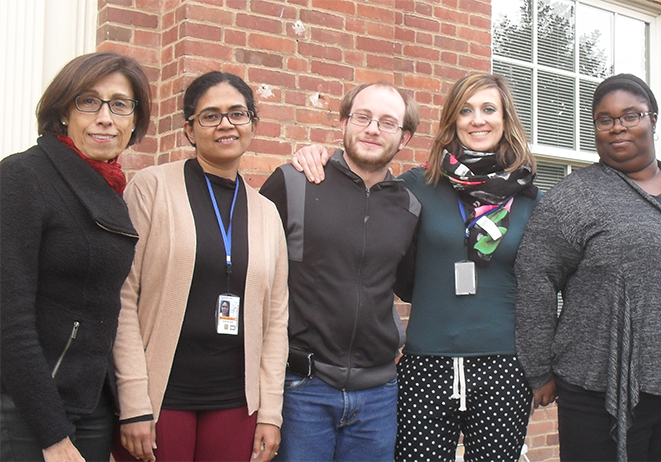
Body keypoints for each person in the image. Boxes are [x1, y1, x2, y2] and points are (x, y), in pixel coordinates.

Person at [291, 73, 539, 461]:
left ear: (506, 119)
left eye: (489, 109)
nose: (478, 120)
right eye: (466, 111)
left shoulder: (529, 196)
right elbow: (362, 182)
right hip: (426, 366)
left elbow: (543, 286)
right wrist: (316, 153)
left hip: (503, 367)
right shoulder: (417, 186)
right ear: (452, 121)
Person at [514, 73, 661, 461]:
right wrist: (539, 367)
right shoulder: (573, 197)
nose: (617, 128)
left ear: (653, 119)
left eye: (631, 116)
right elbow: (535, 278)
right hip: (600, 387)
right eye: (604, 120)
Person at [113, 71, 289, 462]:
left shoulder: (266, 212)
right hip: (161, 397)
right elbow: (123, 297)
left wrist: (270, 413)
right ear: (190, 130)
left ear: (252, 124)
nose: (225, 124)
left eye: (237, 114)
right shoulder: (151, 188)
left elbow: (276, 319)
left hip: (235, 401)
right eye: (210, 115)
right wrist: (133, 401)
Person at [0, 51, 151, 462]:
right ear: (64, 112)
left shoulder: (110, 188)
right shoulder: (23, 177)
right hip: (26, 410)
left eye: (120, 105)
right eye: (89, 101)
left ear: (133, 121)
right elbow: (9, 319)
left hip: (90, 405)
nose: (106, 116)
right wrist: (52, 435)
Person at [258, 81, 420, 461]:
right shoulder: (294, 181)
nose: (373, 128)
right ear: (344, 122)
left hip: (379, 396)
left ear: (404, 137)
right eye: (362, 117)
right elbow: (254, 274)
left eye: (387, 122)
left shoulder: (409, 207)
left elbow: (412, 285)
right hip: (302, 389)